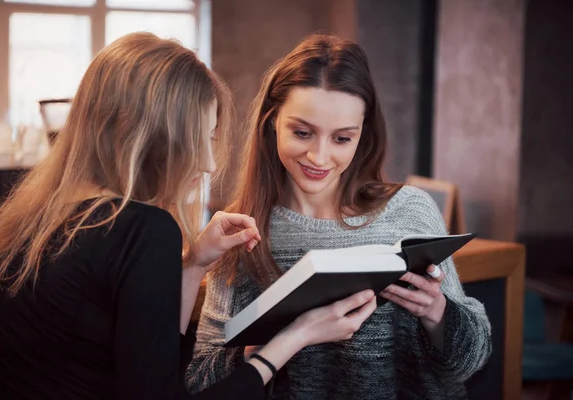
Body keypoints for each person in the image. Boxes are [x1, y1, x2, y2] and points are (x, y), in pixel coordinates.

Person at [0, 32, 379, 400]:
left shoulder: (40, 218)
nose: (205, 161)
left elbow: (152, 366)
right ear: (147, 139)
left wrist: (194, 263)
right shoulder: (142, 230)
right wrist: (296, 336)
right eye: (198, 139)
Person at [187, 34, 492, 400]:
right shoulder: (241, 230)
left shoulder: (411, 209)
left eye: (342, 139)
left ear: (363, 135)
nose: (319, 157)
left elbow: (473, 359)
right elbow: (202, 382)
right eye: (302, 132)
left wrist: (437, 312)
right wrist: (268, 347)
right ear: (272, 121)